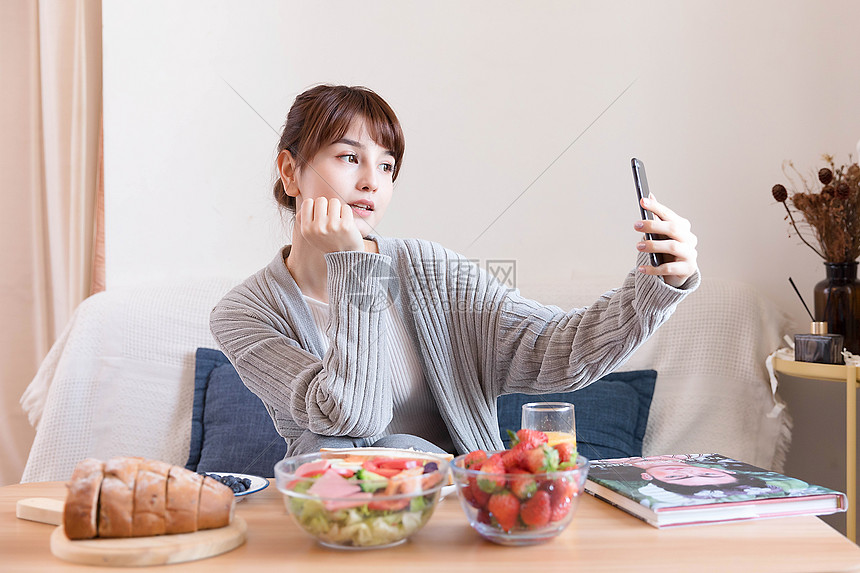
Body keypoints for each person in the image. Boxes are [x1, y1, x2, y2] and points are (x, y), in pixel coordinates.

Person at [210, 84, 700, 457]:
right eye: (348, 157)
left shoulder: (429, 269)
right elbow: (351, 419)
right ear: (290, 171)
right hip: (344, 522)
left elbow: (558, 351)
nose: (370, 182)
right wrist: (354, 267)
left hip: (461, 514)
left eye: (386, 166)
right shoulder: (243, 314)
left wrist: (654, 287)